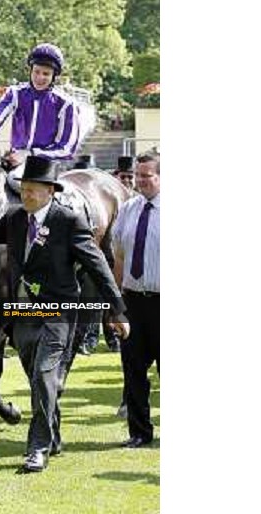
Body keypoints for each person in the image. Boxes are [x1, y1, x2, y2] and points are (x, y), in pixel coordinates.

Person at [0, 156, 128, 473]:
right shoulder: (15, 219)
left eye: (33, 190)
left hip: (57, 313)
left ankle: (37, 449)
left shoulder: (69, 221)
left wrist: (116, 310)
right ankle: (55, 435)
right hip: (21, 314)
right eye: (24, 189)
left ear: (50, 191)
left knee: (44, 375)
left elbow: (97, 266)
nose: (27, 195)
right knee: (39, 381)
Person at [0, 43, 93, 169]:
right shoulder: (15, 93)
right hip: (14, 161)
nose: (39, 77)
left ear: (54, 76)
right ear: (30, 70)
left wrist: (30, 154)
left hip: (47, 167)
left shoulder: (66, 104)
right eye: (36, 72)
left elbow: (67, 148)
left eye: (46, 74)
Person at [112, 151, 160, 448]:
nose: (141, 181)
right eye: (138, 175)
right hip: (133, 302)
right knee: (133, 371)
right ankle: (139, 433)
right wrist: (116, 302)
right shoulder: (128, 208)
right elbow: (118, 257)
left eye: (147, 175)